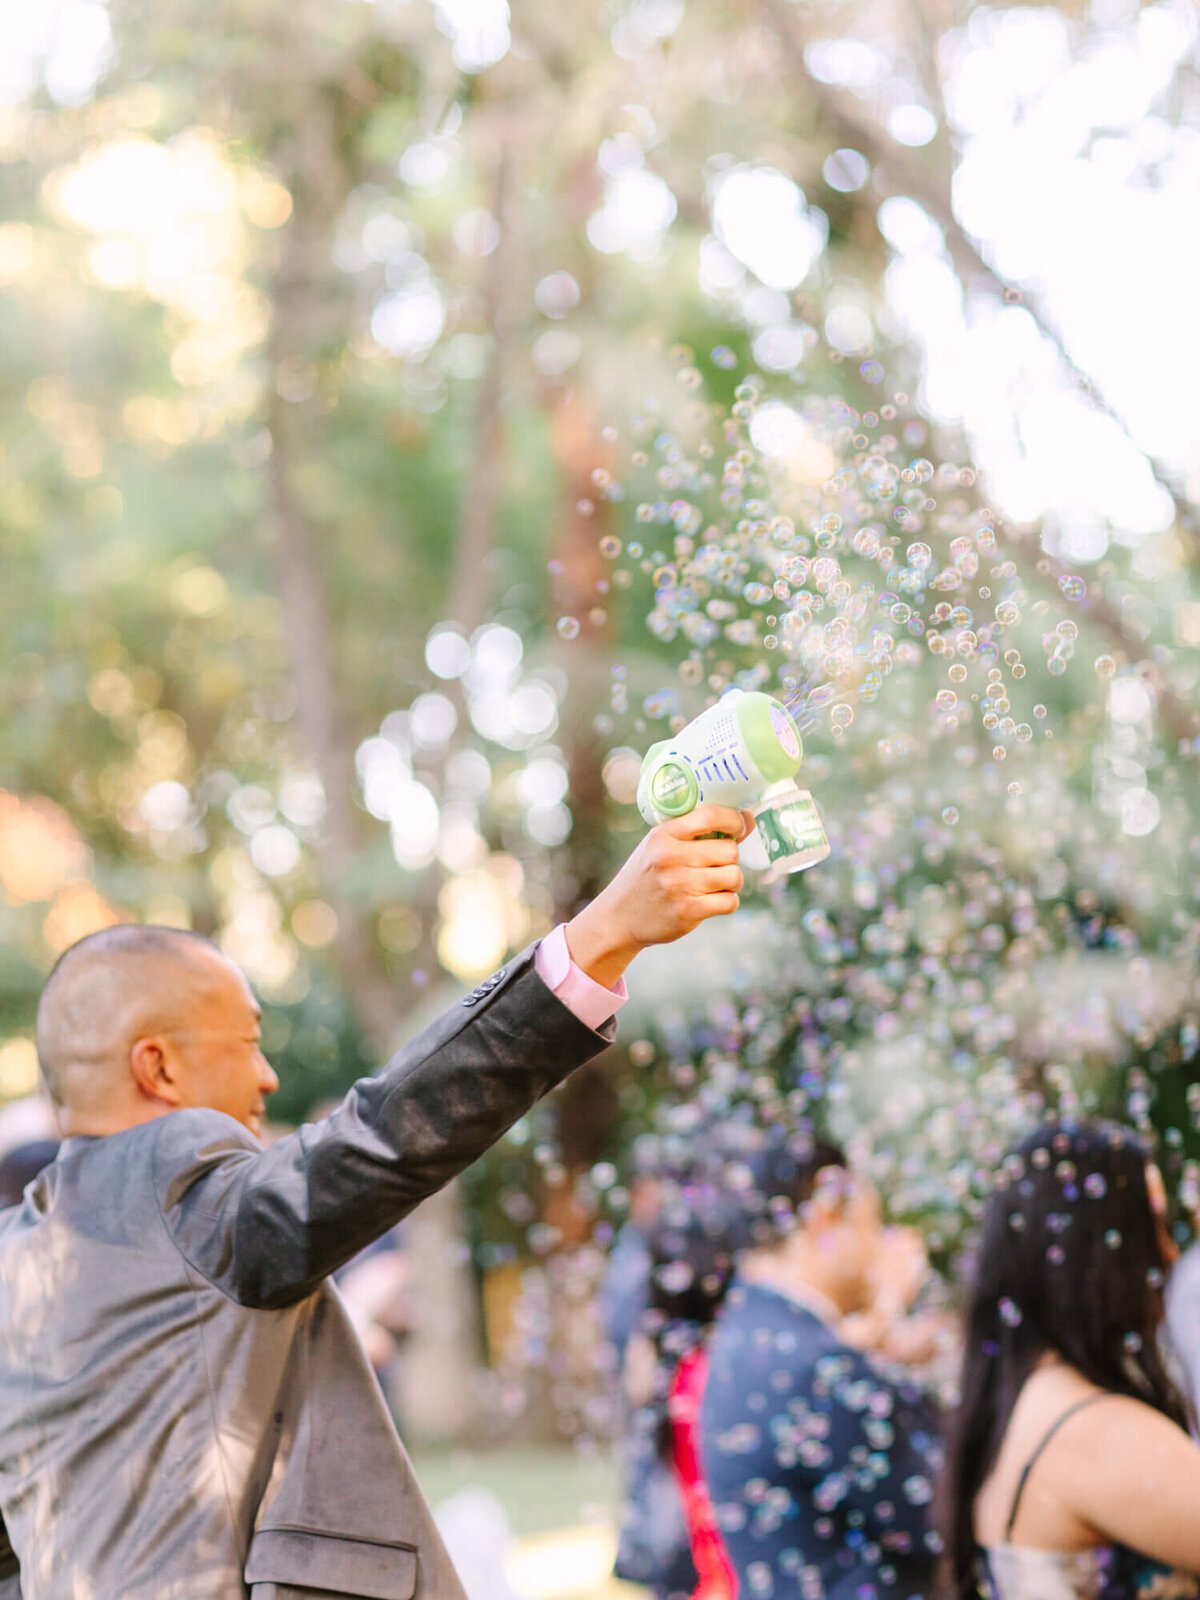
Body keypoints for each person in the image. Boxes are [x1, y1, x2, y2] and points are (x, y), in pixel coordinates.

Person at [0, 802, 752, 1600]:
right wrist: (600, 938)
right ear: (158, 1069)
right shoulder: (171, 1175)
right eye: (250, 1042)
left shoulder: (20, 1255)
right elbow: (377, 1140)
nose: (268, 1079)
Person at [941, 1119, 1200, 1600]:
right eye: (1152, 1225)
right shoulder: (1097, 1430)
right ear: (1100, 1248)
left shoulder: (1031, 1397)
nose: (1168, 1254)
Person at [700, 1131, 942, 1600]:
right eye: (874, 1225)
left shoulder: (749, 1328)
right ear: (827, 1214)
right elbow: (936, 1514)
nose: (880, 1247)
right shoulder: (818, 1368)